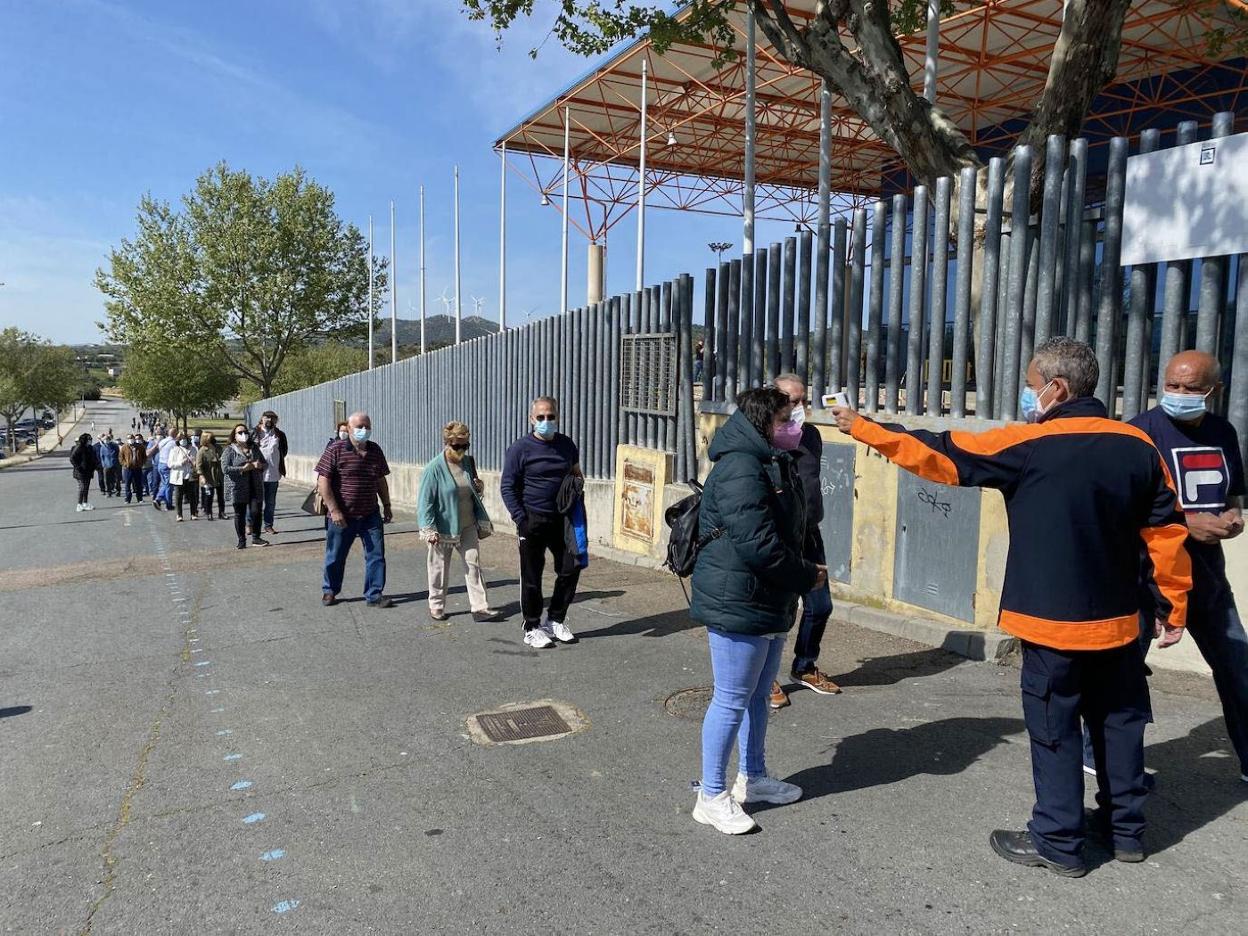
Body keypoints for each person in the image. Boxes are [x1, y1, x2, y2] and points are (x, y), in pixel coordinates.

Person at [831, 337, 1192, 875]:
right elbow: (1167, 533)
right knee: (1118, 724)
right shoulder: (1139, 445)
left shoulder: (1028, 444)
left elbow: (939, 454)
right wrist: (1172, 606)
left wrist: (863, 427)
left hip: (1050, 625)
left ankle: (1058, 841)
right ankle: (1126, 832)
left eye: (1030, 385)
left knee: (1055, 730)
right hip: (1120, 624)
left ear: (1057, 388)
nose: (1028, 395)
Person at [689, 387, 825, 835]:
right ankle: (711, 795)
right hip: (739, 597)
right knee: (730, 699)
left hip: (767, 595)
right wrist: (805, 574)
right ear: (764, 422)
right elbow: (757, 543)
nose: (794, 425)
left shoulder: (771, 459)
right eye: (786, 418)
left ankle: (753, 776)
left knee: (758, 696)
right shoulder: (741, 467)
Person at [1119, 350, 1247, 784]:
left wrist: (1232, 517)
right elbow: (1122, 508)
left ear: (1214, 391)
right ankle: (1105, 761)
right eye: (1172, 385)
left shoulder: (1223, 433)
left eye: (1191, 388)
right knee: (1124, 674)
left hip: (1207, 579)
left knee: (1237, 668)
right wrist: (1188, 524)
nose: (1178, 394)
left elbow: (1231, 494)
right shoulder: (1139, 433)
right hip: (1146, 578)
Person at [770, 374, 841, 709]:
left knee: (820, 605)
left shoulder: (811, 435)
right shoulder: (763, 437)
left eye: (802, 400)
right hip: (778, 534)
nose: (798, 406)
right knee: (777, 609)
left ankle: (804, 665)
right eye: (791, 400)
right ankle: (765, 676)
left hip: (809, 533)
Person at [500, 396, 582, 648]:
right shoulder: (520, 449)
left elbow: (576, 474)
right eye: (541, 417)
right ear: (531, 419)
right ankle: (532, 627)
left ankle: (555, 619)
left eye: (551, 416)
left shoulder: (566, 445)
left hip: (562, 519)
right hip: (532, 519)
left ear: (557, 417)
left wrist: (575, 490)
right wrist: (520, 518)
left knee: (571, 567)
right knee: (532, 575)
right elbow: (507, 487)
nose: (546, 421)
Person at [418, 421, 499, 622]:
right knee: (438, 568)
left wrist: (479, 487)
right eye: (456, 446)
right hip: (443, 527)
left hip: (467, 523)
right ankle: (436, 605)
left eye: (465, 445)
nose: (461, 450)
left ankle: (480, 607)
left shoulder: (468, 462)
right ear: (446, 443)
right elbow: (425, 502)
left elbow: (472, 490)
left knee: (473, 564)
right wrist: (429, 529)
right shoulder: (433, 468)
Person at [315, 411, 394, 608]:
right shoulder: (335, 449)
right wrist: (334, 510)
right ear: (349, 428)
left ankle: (374, 595)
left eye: (367, 427)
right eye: (359, 427)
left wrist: (387, 505)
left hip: (370, 514)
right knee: (335, 555)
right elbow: (323, 481)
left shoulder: (375, 450)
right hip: (342, 515)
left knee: (376, 556)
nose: (364, 430)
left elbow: (381, 480)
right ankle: (330, 590)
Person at [222, 424, 269, 548]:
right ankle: (241, 540)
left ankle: (256, 538)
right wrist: (242, 469)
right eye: (240, 432)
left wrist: (260, 466)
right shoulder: (229, 450)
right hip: (238, 487)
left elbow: (265, 464)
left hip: (255, 485)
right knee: (240, 514)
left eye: (245, 432)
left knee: (256, 512)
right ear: (234, 435)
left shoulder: (254, 448)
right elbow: (225, 468)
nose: (243, 434)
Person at [253, 410, 288, 536]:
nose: (269, 420)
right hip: (257, 474)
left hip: (273, 474)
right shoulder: (254, 432)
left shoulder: (279, 434)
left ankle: (268, 525)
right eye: (267, 417)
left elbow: (284, 451)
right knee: (255, 502)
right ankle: (250, 524)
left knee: (270, 502)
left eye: (272, 418)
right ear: (262, 418)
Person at [167, 434, 198, 521]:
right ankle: (179, 514)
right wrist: (181, 462)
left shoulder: (193, 449)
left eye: (184, 439)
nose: (183, 441)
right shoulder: (174, 450)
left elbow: (197, 460)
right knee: (178, 496)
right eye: (181, 439)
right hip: (179, 477)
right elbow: (170, 464)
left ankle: (193, 513)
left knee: (193, 496)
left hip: (191, 475)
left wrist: (194, 462)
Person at [195, 431, 225, 521]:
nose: (212, 439)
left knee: (221, 496)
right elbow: (198, 465)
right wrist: (201, 476)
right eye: (210, 438)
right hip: (208, 476)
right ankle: (209, 513)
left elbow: (224, 458)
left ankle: (222, 512)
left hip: (219, 475)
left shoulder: (218, 447)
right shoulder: (202, 451)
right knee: (209, 496)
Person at [70, 432, 100, 512]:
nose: (90, 440)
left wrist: (96, 466)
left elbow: (94, 458)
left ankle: (85, 503)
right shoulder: (79, 447)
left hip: (88, 471)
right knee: (82, 487)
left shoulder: (90, 448)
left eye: (91, 439)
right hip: (80, 472)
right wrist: (79, 467)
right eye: (89, 439)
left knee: (86, 488)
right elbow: (72, 458)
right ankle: (79, 504)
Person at [120, 433, 147, 503]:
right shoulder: (124, 447)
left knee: (138, 484)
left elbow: (144, 456)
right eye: (129, 438)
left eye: (131, 438)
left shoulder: (140, 446)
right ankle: (128, 499)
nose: (130, 440)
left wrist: (141, 463)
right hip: (128, 469)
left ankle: (140, 498)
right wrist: (125, 464)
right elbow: (121, 457)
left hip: (137, 468)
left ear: (134, 439)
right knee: (127, 484)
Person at [97, 431, 121, 497]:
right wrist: (104, 465)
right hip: (106, 466)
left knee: (117, 479)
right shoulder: (102, 447)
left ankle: (118, 490)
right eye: (104, 440)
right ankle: (108, 492)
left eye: (107, 439)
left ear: (110, 440)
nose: (106, 441)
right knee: (107, 480)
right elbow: (102, 457)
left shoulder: (115, 446)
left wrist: (118, 463)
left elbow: (118, 455)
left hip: (115, 465)